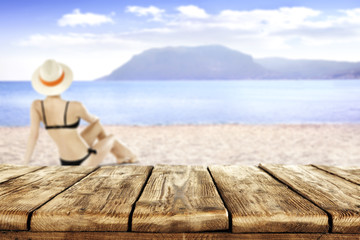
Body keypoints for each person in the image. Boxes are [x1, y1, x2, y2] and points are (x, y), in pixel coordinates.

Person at [24, 59, 137, 166]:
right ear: (63, 82)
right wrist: (95, 117)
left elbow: (33, 136)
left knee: (97, 126)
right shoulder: (75, 106)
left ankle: (121, 156)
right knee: (111, 138)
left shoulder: (37, 105)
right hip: (84, 161)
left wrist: (25, 163)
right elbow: (92, 119)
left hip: (65, 162)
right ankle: (129, 155)